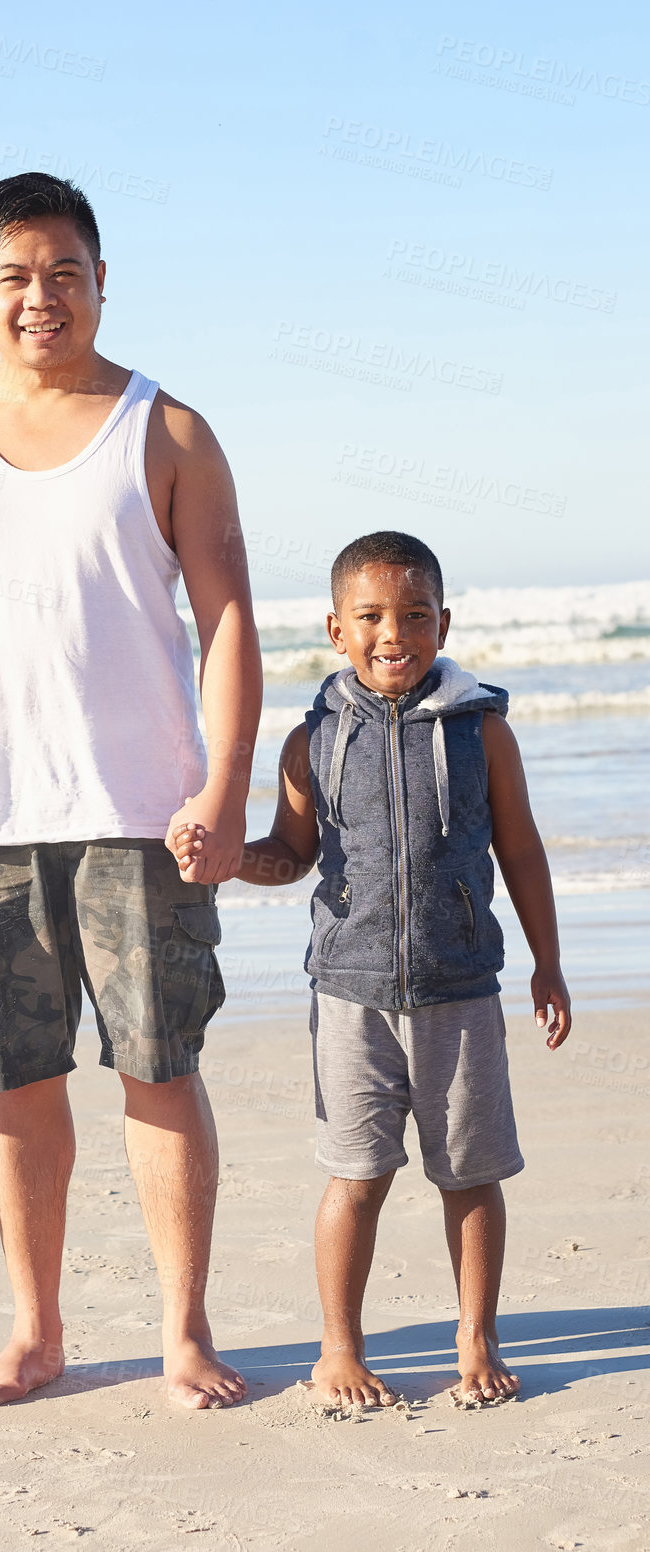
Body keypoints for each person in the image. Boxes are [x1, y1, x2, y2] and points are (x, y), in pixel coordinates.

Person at [0, 173, 262, 1409]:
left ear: (101, 277)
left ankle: (184, 1332)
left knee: (160, 1067)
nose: (42, 297)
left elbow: (228, 615)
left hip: (146, 812)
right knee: (15, 1080)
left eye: (64, 271)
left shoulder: (168, 430)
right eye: (15, 276)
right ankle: (37, 1330)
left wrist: (228, 785)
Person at [178, 530, 571, 1406]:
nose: (394, 633)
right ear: (335, 628)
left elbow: (523, 851)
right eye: (371, 616)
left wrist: (549, 961)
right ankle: (339, 1346)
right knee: (357, 1173)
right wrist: (227, 856)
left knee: (470, 1171)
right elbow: (288, 855)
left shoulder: (482, 732)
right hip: (349, 993)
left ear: (444, 622)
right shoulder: (309, 743)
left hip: (461, 986)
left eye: (415, 615)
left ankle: (477, 1335)